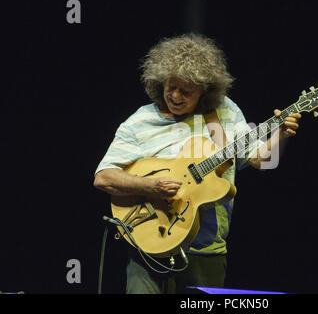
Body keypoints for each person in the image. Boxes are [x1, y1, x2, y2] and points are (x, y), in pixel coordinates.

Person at [93, 33, 301, 294]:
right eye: (171, 86)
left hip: (206, 253)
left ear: (205, 90)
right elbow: (103, 177)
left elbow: (263, 160)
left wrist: (280, 135)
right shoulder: (140, 121)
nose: (175, 95)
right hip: (148, 249)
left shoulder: (224, 112)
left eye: (186, 90)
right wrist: (149, 186)